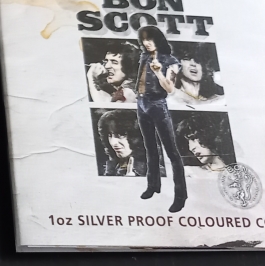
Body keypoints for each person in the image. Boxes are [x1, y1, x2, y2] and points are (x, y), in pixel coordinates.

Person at [135, 25, 187, 212]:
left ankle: (180, 196)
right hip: (141, 103)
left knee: (171, 152)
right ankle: (153, 185)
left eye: (150, 39)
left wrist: (158, 72)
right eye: (144, 40)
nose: (147, 43)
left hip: (157, 104)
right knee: (150, 148)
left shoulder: (170, 61)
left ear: (158, 39)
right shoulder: (144, 57)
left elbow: (170, 89)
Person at [177, 114, 235, 178]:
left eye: (193, 139)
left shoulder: (235, 173)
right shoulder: (190, 172)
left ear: (208, 135)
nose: (191, 148)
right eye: (188, 143)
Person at [97, 110, 147, 177]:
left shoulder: (153, 169)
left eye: (121, 135)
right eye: (110, 135)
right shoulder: (112, 167)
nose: (113, 142)